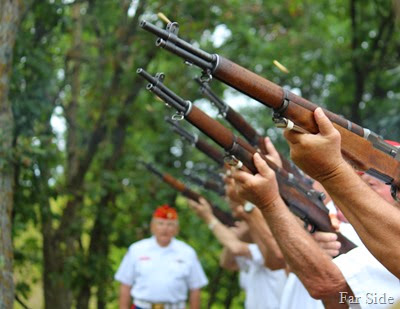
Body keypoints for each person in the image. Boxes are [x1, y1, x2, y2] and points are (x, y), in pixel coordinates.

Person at [232, 144, 400, 307]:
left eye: (379, 181)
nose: (364, 186)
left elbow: (327, 286)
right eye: (362, 180)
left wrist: (269, 203)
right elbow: (342, 299)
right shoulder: (352, 232)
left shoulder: (376, 241)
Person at [284, 107, 400, 279]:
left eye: (385, 176)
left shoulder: (383, 240)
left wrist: (330, 171)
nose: (368, 180)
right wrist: (311, 252)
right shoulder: (345, 227)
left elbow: (340, 295)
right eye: (364, 174)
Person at [187, 184, 287, 309]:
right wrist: (236, 237)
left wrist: (208, 218)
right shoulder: (251, 250)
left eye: (244, 220)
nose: (238, 221)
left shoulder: (269, 248)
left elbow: (236, 248)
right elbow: (226, 262)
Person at [114, 204, 208, 309]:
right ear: (152, 227)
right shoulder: (137, 249)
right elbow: (125, 284)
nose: (165, 228)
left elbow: (195, 288)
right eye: (160, 223)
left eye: (170, 224)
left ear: (176, 229)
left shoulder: (187, 253)